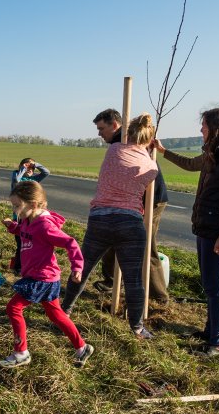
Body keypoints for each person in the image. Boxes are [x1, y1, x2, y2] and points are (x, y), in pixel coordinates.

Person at [153, 107, 219, 357]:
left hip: (218, 229)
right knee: (208, 285)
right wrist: (163, 152)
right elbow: (189, 164)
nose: (200, 129)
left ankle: (216, 343)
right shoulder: (212, 152)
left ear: (216, 128)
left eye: (204, 126)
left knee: (214, 286)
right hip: (205, 225)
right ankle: (209, 332)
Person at [61, 114, 159, 340]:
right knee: (133, 278)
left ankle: (64, 311)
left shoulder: (114, 151)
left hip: (100, 219)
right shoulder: (151, 166)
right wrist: (151, 154)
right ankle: (137, 328)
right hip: (131, 223)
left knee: (82, 269)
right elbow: (147, 177)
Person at [0, 180, 94, 368]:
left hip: (42, 278)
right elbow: (25, 233)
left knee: (14, 308)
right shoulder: (27, 220)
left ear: (33, 205)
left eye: (18, 206)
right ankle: (82, 348)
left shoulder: (44, 225)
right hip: (41, 277)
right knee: (56, 315)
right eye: (13, 206)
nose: (15, 211)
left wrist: (77, 267)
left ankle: (21, 353)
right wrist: (12, 227)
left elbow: (70, 242)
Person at [90, 109, 171, 302]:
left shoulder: (126, 141)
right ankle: (111, 281)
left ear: (114, 125)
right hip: (127, 201)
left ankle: (159, 297)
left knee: (144, 247)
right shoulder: (121, 141)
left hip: (149, 199)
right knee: (111, 237)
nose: (99, 133)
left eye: (102, 128)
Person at [9, 158, 50, 274]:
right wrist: (23, 169)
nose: (30, 169)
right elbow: (16, 181)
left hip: (31, 217)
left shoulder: (33, 180)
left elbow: (46, 172)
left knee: (30, 243)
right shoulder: (17, 176)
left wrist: (36, 165)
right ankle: (18, 267)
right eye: (27, 167)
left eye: (31, 168)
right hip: (20, 217)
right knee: (21, 243)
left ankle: (26, 265)